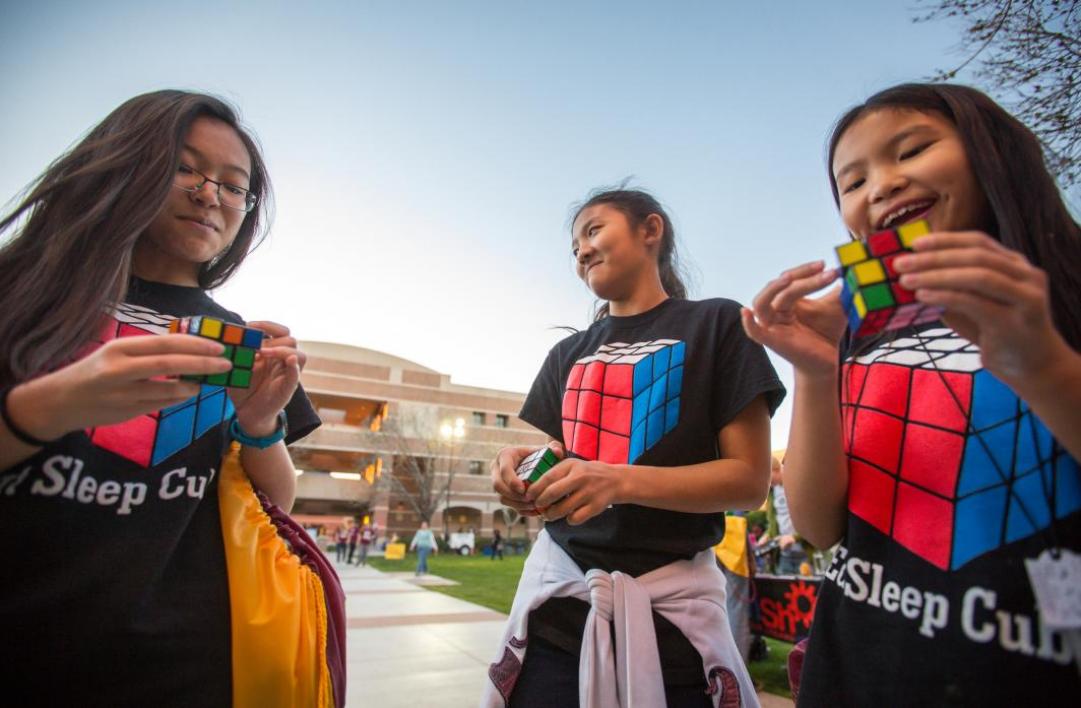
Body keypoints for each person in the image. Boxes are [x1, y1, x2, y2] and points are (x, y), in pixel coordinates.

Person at [742, 83, 1081, 705]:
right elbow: (820, 527)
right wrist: (815, 375)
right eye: (852, 182)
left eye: (913, 150)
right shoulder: (860, 326)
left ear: (992, 152)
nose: (883, 185)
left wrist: (1045, 368)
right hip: (859, 674)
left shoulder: (1067, 286)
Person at [0, 90, 322, 706]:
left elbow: (274, 506)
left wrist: (258, 424)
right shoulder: (22, 290)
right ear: (128, 162)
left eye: (234, 186)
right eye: (186, 168)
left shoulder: (238, 342)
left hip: (185, 667)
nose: (211, 195)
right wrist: (49, 409)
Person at [484, 188, 785, 707]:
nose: (581, 250)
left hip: (673, 626)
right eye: (575, 245)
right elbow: (560, 453)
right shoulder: (567, 352)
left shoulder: (718, 325)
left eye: (594, 230)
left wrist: (618, 481)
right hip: (555, 618)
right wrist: (516, 469)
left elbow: (749, 481)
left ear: (651, 229)